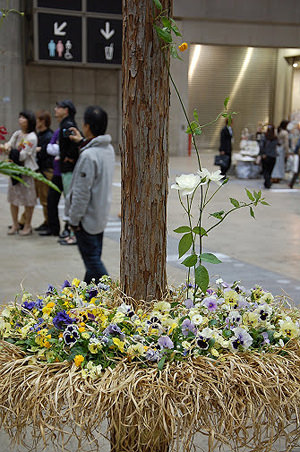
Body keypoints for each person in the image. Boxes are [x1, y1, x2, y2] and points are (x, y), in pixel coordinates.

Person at [65, 105, 115, 283]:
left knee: (93, 263)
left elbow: (81, 193)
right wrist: (81, 142)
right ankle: (89, 296)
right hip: (100, 216)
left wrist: (74, 219)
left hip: (86, 220)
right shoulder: (108, 150)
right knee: (92, 261)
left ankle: (114, 296)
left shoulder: (89, 156)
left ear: (86, 126)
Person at [0, 110, 38, 235]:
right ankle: (15, 224)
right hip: (14, 169)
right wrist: (6, 146)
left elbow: (22, 156)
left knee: (28, 200)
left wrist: (9, 149)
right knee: (13, 199)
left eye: (23, 118)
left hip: (26, 171)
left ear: (29, 121)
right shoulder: (17, 133)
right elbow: (9, 145)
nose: (20, 119)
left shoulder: (32, 137)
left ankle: (27, 225)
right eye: (20, 117)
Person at [54, 99, 79, 244]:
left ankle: (72, 232)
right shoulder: (65, 124)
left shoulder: (68, 125)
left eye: (59, 107)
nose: (56, 109)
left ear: (66, 110)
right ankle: (69, 230)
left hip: (69, 169)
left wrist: (69, 158)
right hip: (66, 169)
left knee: (70, 199)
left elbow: (74, 145)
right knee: (69, 199)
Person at [39, 129, 62, 236]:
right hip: (56, 171)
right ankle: (52, 227)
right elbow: (50, 148)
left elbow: (53, 149)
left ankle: (69, 230)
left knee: (68, 202)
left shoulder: (69, 128)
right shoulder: (58, 131)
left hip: (64, 171)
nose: (56, 111)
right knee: (50, 200)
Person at [34, 110, 53, 231]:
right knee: (32, 197)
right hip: (38, 170)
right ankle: (22, 221)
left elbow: (45, 153)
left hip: (46, 171)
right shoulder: (38, 134)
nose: (36, 122)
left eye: (38, 120)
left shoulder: (48, 136)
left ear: (43, 122)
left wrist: (38, 150)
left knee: (45, 200)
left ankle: (48, 223)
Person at [259, 124, 278, 189]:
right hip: (273, 157)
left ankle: (267, 182)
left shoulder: (264, 137)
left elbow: (261, 146)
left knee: (265, 171)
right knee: (270, 171)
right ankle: (267, 182)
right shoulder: (275, 138)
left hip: (266, 156)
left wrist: (262, 154)